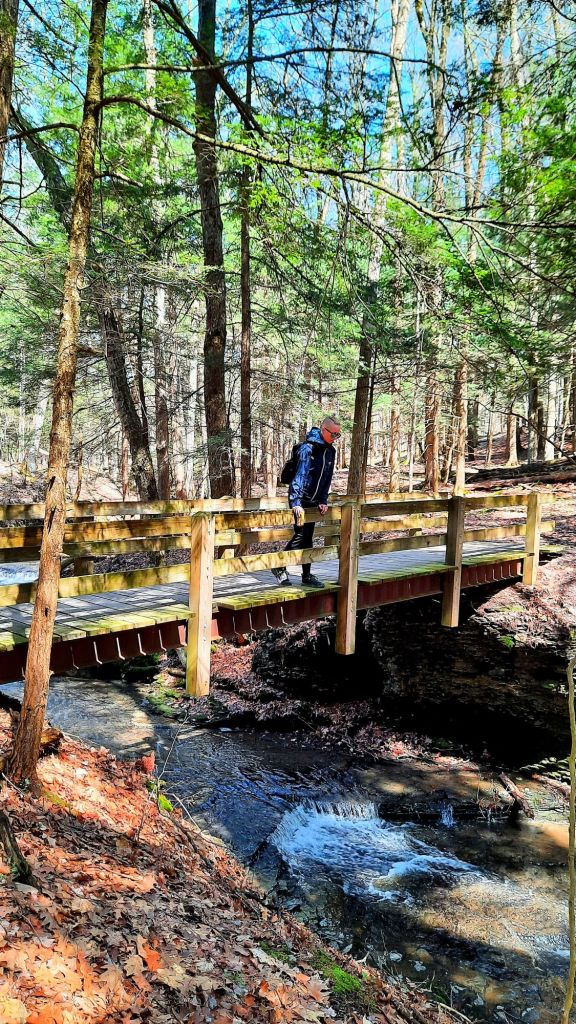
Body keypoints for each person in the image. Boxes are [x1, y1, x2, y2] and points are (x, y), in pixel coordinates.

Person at [272, 416, 341, 588]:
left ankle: (305, 575)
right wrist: (295, 502)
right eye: (333, 434)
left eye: (338, 435)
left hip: (314, 500)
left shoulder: (330, 451)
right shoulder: (307, 448)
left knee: (307, 536)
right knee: (302, 534)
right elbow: (300, 476)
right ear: (324, 430)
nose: (335, 438)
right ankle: (279, 565)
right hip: (300, 499)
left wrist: (323, 500)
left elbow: (327, 478)